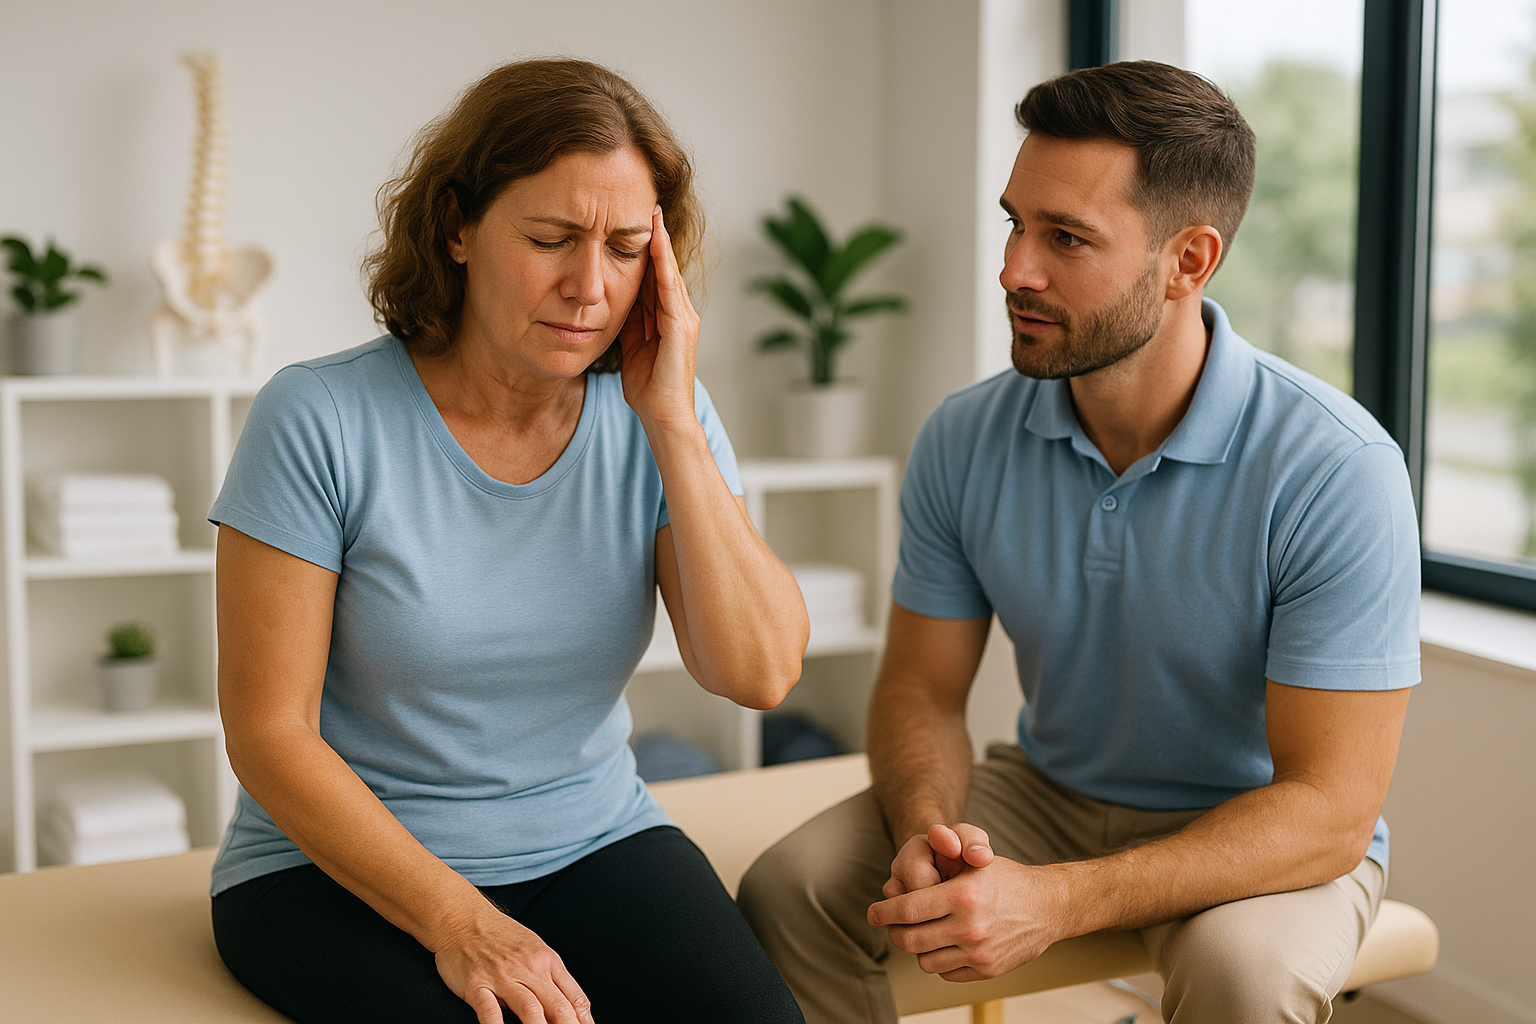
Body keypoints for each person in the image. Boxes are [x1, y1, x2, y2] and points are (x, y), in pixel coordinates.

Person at [738, 60, 1419, 1024]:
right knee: (791, 890)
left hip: (1255, 829)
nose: (1016, 267)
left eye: (1067, 237)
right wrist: (930, 826)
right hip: (1049, 792)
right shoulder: (964, 436)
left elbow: (1330, 807)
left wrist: (1055, 900)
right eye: (1015, 221)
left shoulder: (1336, 469)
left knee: (1244, 976)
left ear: (1190, 261)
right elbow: (920, 688)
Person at [208, 58, 810, 1024]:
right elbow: (268, 733)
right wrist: (461, 921)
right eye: (551, 239)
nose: (588, 286)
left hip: (593, 838)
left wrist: (675, 427)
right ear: (456, 228)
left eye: (624, 249)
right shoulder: (318, 415)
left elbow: (758, 673)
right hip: (333, 868)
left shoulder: (663, 418)